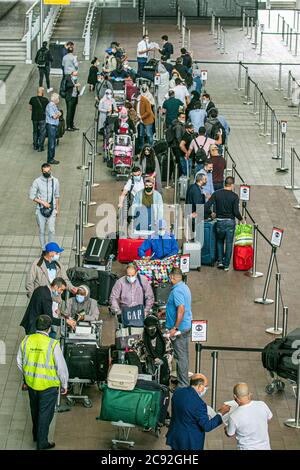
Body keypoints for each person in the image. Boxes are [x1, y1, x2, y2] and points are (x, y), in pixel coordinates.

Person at [17, 314, 69, 450]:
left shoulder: (27, 340)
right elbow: (61, 367)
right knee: (45, 413)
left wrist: (27, 376)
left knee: (34, 410)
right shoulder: (52, 344)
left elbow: (19, 361)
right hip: (48, 386)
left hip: (31, 383)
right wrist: (64, 384)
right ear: (48, 328)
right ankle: (42, 443)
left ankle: (36, 435)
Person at [166, 373, 230, 450]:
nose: (206, 389)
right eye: (205, 386)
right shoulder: (199, 404)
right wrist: (221, 413)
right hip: (189, 442)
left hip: (175, 436)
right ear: (199, 386)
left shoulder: (178, 392)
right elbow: (207, 426)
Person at [204, 176, 243, 271]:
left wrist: (210, 214)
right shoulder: (234, 196)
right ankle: (226, 265)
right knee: (229, 243)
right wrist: (241, 219)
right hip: (230, 222)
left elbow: (207, 205)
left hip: (220, 222)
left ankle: (220, 261)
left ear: (224, 183)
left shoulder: (217, 194)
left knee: (220, 241)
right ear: (232, 185)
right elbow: (236, 212)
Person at [165, 268, 192, 388]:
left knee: (181, 357)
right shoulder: (184, 287)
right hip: (186, 325)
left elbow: (181, 308)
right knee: (183, 355)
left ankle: (183, 385)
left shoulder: (177, 291)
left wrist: (175, 328)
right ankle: (183, 379)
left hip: (180, 328)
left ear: (172, 277)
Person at [225, 383, 273, 450]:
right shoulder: (262, 404)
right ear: (249, 394)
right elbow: (269, 418)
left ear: (235, 397)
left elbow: (230, 434)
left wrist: (226, 428)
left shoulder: (234, 416)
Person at [132, 315, 173, 386]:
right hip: (147, 369)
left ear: (157, 327)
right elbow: (137, 355)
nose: (151, 330)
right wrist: (149, 359)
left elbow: (170, 352)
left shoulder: (165, 339)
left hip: (163, 368)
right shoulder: (140, 340)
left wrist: (162, 360)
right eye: (148, 328)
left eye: (153, 328)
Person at [29, 163, 60, 249]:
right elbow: (32, 196)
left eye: (48, 171)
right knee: (42, 230)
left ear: (51, 170)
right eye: (45, 171)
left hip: (52, 209)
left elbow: (57, 196)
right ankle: (43, 248)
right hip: (40, 210)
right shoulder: (37, 181)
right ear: (42, 171)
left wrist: (57, 209)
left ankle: (50, 248)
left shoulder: (55, 181)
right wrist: (42, 202)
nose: (47, 173)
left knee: (51, 230)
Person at [29, 87, 49, 152]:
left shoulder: (32, 99)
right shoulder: (45, 100)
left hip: (34, 118)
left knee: (35, 131)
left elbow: (30, 108)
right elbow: (47, 109)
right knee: (42, 132)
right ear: (42, 92)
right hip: (42, 118)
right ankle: (41, 146)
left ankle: (35, 145)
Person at [45, 93, 61, 165]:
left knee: (53, 142)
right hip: (51, 126)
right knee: (51, 143)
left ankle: (52, 157)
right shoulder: (50, 106)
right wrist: (58, 115)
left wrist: (58, 114)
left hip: (54, 126)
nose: (59, 100)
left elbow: (58, 113)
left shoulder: (54, 105)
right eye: (58, 99)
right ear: (55, 99)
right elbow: (54, 116)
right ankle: (50, 159)